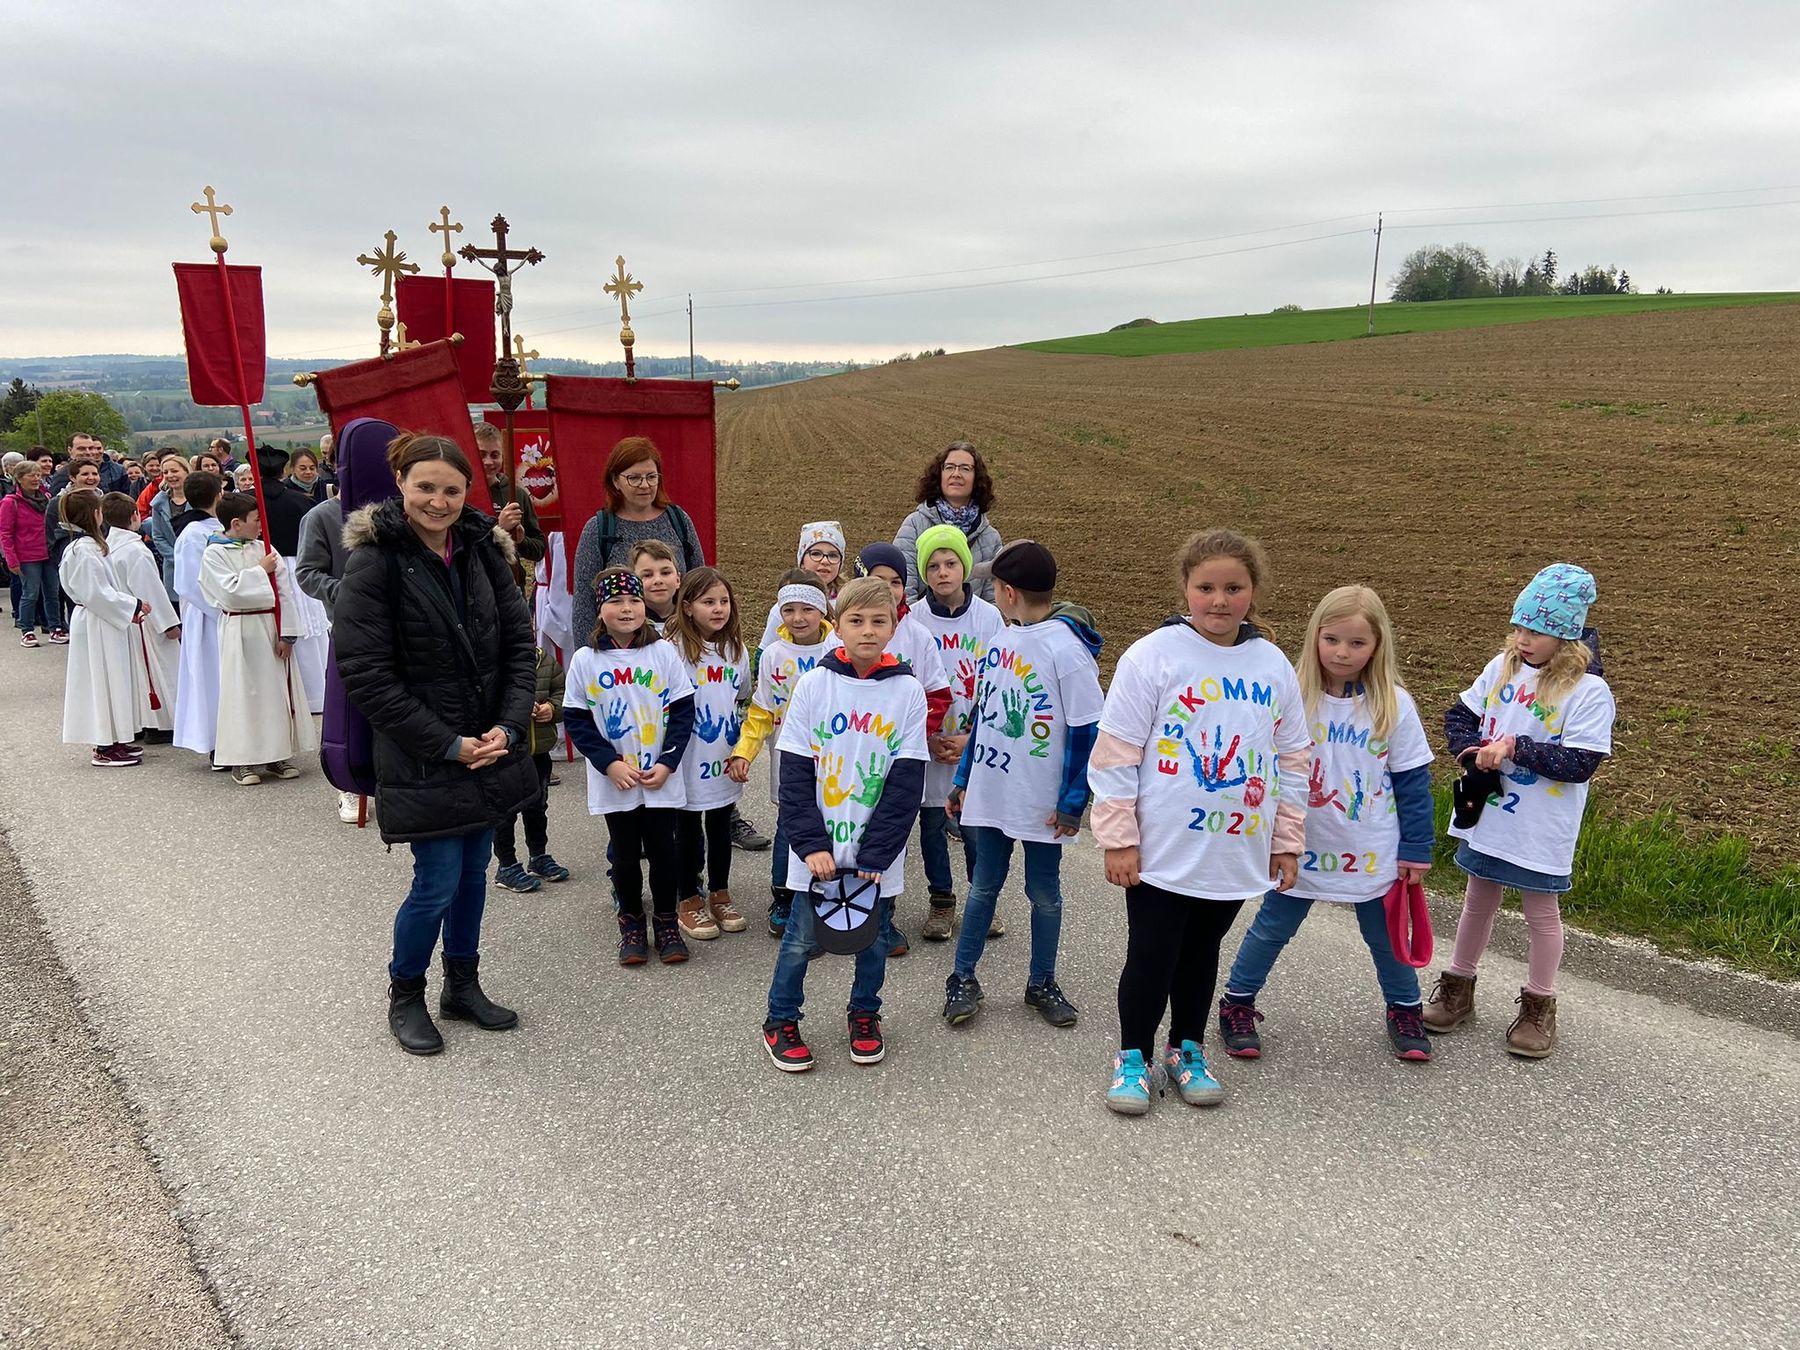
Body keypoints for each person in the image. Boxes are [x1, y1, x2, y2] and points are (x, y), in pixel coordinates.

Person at [1090, 529, 1311, 1116]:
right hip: (1163, 847)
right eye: (1206, 587)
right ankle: (1133, 1057)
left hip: (1235, 848)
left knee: (1202, 950)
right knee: (1153, 952)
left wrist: (1286, 842)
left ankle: (1186, 1048)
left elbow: (1293, 759)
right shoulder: (1152, 656)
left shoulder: (1272, 665)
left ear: (1253, 591)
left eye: (1233, 588)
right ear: (1185, 588)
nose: (1219, 600)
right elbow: (1115, 754)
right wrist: (1118, 838)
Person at [334, 432, 539, 1057]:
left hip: (488, 746)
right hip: (424, 752)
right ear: (400, 482)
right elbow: (368, 675)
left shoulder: (482, 550)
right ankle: (406, 994)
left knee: (474, 873)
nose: (438, 501)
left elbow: (519, 647)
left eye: (451, 490)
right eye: (425, 487)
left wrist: (508, 727)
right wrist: (449, 744)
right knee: (437, 882)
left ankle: (462, 985)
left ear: (467, 492)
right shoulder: (374, 562)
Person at [1217, 585, 1437, 1063]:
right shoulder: (1292, 697)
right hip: (1299, 845)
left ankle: (1405, 1008)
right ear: (1315, 636)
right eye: (1332, 639)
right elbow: (1263, 765)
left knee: (1386, 938)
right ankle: (1237, 1001)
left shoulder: (1394, 705)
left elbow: (1413, 783)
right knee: (1272, 928)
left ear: (1377, 645)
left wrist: (1417, 848)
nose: (1342, 652)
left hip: (1371, 850)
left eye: (1357, 643)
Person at [1424, 564, 1614, 1059]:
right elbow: (1460, 717)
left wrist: (1514, 747)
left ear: (1566, 637)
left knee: (1541, 914)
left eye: (1536, 631)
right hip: (1489, 814)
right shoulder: (1501, 669)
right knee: (1477, 899)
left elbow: (1581, 762)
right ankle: (1458, 987)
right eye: (1518, 627)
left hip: (1539, 827)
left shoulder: (1588, 691)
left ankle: (1538, 1006)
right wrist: (1470, 751)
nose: (1522, 639)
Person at [760, 575, 929, 1073]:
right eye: (856, 621)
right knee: (799, 941)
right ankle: (780, 1019)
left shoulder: (908, 692)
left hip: (876, 855)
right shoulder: (814, 685)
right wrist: (810, 844)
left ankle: (865, 1014)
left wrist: (878, 852)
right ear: (838, 626)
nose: (868, 631)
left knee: (873, 942)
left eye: (879, 621)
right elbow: (794, 774)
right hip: (818, 853)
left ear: (894, 626)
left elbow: (906, 782)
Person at [941, 539, 1103, 1029]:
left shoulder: (1067, 652)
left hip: (1041, 802)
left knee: (1044, 893)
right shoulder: (1000, 641)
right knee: (983, 887)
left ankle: (1042, 982)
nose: (991, 593)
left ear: (1008, 592)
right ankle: (962, 978)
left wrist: (1073, 801)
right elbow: (984, 717)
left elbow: (1087, 732)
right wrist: (963, 779)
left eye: (993, 586)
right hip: (992, 792)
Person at [563, 568, 697, 966]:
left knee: (664, 851)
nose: (627, 609)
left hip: (659, 777)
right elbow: (577, 720)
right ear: (599, 610)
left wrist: (669, 762)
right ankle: (632, 924)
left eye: (634, 600)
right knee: (624, 855)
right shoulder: (586, 660)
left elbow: (683, 710)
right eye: (616, 601)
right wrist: (609, 764)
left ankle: (667, 922)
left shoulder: (663, 653)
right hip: (616, 780)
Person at [852, 542, 952, 956]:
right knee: (855, 831)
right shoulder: (847, 630)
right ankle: (845, 910)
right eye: (878, 581)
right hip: (855, 759)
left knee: (892, 837)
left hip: (901, 759)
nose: (888, 590)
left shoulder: (917, 635)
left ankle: (884, 918)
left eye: (896, 582)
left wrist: (911, 738)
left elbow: (938, 694)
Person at [296, 417, 397, 823]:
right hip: (350, 626)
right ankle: (350, 784)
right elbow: (308, 572)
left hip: (397, 624)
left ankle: (392, 779)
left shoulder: (396, 513)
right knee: (352, 707)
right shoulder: (320, 516)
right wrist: (348, 593)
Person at [907, 524, 1005, 938]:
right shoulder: (914, 619)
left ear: (964, 567)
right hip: (929, 742)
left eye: (950, 563)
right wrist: (924, 735)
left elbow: (1000, 684)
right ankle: (941, 900)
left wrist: (973, 738)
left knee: (975, 829)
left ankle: (983, 901)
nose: (943, 572)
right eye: (933, 566)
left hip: (972, 743)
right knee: (932, 826)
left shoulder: (989, 618)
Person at [725, 571, 834, 938]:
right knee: (790, 826)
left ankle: (826, 892)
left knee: (831, 825)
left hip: (834, 760)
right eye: (789, 609)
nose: (798, 618)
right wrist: (744, 752)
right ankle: (784, 895)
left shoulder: (838, 649)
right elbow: (761, 711)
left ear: (822, 610)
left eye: (807, 609)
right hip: (790, 760)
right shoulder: (774, 654)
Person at [200, 492, 312, 785]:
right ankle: (242, 760)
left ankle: (277, 754)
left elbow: (284, 591)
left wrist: (288, 633)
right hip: (240, 629)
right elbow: (230, 593)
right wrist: (260, 571)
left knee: (275, 692)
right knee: (243, 694)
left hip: (270, 627)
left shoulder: (265, 548)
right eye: (256, 520)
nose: (262, 525)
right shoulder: (214, 553)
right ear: (236, 523)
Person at [668, 566, 750, 940]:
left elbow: (741, 695)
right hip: (685, 757)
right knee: (686, 829)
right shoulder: (671, 650)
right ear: (687, 606)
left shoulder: (736, 650)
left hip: (722, 755)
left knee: (719, 825)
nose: (718, 609)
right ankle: (688, 896)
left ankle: (719, 892)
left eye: (724, 601)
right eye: (708, 602)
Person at [569, 436, 705, 648]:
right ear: (615, 481)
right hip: (621, 650)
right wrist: (589, 655)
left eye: (651, 477)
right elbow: (584, 602)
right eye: (634, 478)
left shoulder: (678, 521)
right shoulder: (598, 529)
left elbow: (699, 585)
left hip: (680, 644)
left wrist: (703, 644)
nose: (645, 485)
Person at [56, 490, 145, 767]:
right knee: (101, 679)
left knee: (113, 678)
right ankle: (105, 745)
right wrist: (134, 605)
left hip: (104, 620)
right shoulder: (82, 550)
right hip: (96, 622)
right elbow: (96, 593)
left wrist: (126, 610)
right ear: (95, 514)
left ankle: (116, 738)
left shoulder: (90, 546)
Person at [492, 623, 570, 894]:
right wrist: (515, 712)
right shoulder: (492, 665)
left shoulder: (544, 660)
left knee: (538, 806)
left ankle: (539, 855)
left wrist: (552, 708)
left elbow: (563, 692)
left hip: (539, 753)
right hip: (506, 754)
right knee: (505, 812)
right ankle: (507, 865)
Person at [101, 492, 181, 745]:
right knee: (161, 670)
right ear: (135, 516)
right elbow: (150, 590)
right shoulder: (135, 551)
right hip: (146, 620)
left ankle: (138, 722)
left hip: (125, 619)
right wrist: (169, 623)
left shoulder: (107, 547)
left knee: (135, 673)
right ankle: (161, 723)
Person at [892, 440, 1003, 603]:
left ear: (976, 478)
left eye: (965, 468)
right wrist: (919, 619)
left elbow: (993, 600)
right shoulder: (914, 525)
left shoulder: (990, 538)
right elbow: (903, 587)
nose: (956, 474)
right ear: (940, 475)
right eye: (949, 467)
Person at [171, 472, 226, 764]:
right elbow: (191, 582)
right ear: (218, 495)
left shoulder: (222, 527)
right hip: (207, 616)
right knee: (211, 678)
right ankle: (215, 740)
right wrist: (224, 608)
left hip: (224, 612)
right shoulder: (193, 534)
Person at [755, 521, 846, 650]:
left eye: (833, 555)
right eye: (816, 554)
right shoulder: (783, 607)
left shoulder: (848, 603)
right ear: (802, 561)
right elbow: (765, 651)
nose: (825, 561)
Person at [0, 459, 60, 648]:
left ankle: (55, 628)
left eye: (38, 475)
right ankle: (27, 630)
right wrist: (11, 559)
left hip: (48, 552)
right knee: (30, 593)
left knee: (52, 593)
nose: (36, 479)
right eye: (31, 475)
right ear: (19, 478)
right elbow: (5, 533)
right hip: (26, 556)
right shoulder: (10, 502)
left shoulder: (47, 497)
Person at [473, 423, 545, 566]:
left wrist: (521, 540)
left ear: (502, 456)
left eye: (495, 455)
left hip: (512, 577)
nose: (488, 462)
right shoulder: (459, 494)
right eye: (481, 455)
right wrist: (499, 529)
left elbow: (539, 550)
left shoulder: (516, 494)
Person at [148, 453, 190, 597]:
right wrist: (177, 559)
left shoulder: (199, 499)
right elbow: (158, 536)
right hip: (173, 569)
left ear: (186, 471)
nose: (170, 475)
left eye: (174, 471)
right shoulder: (158, 503)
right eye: (165, 472)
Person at [49, 432, 128, 496]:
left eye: (90, 448)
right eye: (81, 449)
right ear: (70, 450)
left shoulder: (117, 470)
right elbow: (58, 505)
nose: (88, 452)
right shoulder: (62, 475)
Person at [630, 538, 681, 635]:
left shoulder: (695, 619)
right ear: (634, 582)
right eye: (647, 575)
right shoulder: (627, 624)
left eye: (665, 573)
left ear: (678, 580)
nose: (658, 580)